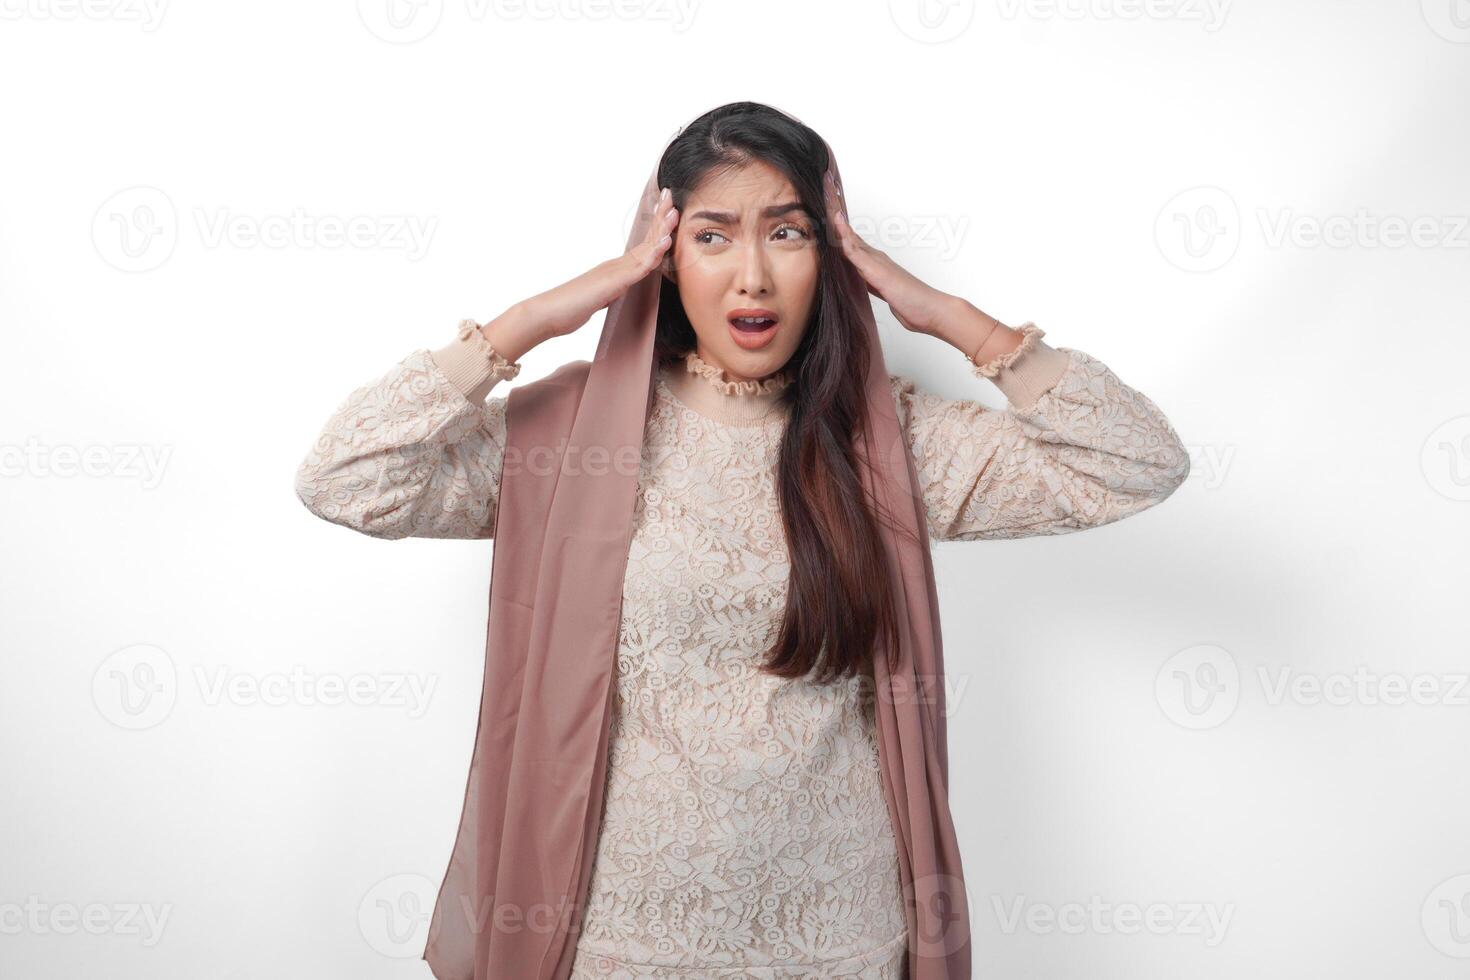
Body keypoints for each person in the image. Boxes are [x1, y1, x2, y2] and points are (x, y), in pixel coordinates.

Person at [294, 102, 1190, 979]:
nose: (752, 276)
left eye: (788, 233)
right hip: (624, 940)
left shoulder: (887, 448)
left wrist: (937, 310)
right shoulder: (569, 443)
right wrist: (544, 314)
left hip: (839, 939)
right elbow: (347, 478)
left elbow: (1134, 462)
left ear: (831, 258)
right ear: (666, 258)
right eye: (713, 236)